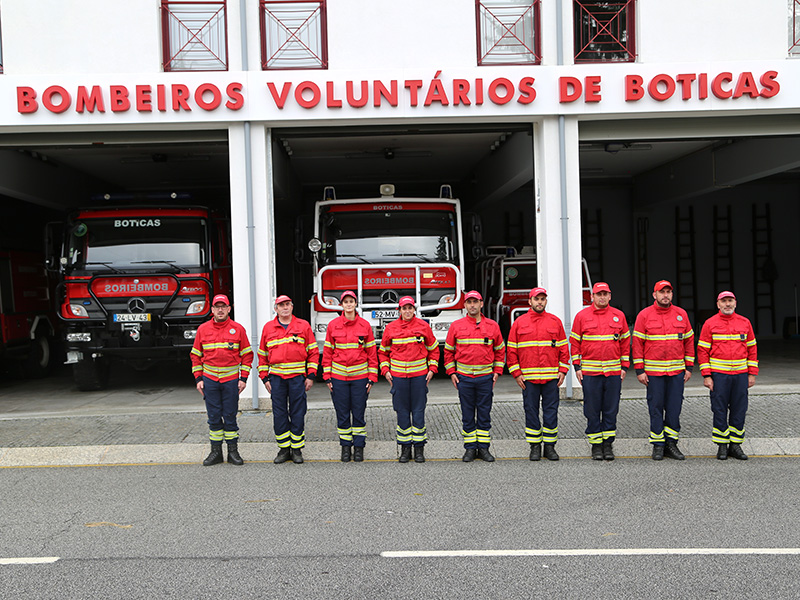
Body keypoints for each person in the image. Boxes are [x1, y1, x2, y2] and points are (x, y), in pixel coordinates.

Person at [632, 280, 694, 461]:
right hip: (654, 374)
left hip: (676, 373)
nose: (665, 295)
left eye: (668, 292)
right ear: (654, 295)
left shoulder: (681, 314)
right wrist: (639, 370)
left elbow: (689, 341)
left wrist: (689, 367)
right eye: (662, 292)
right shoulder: (644, 315)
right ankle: (658, 445)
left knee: (674, 408)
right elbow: (637, 344)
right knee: (656, 408)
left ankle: (671, 444)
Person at [506, 287, 569, 462]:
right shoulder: (520, 323)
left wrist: (563, 370)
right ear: (530, 301)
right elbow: (511, 351)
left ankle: (549, 447)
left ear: (546, 301)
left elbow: (564, 349)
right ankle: (535, 446)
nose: (539, 302)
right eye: (536, 299)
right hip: (529, 379)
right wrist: (516, 373)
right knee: (531, 412)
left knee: (551, 412)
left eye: (542, 299)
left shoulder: (555, 321)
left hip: (551, 378)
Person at [190, 294, 253, 466]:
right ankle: (215, 452)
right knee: (214, 416)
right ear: (212, 310)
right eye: (217, 307)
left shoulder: (238, 329)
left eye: (223, 306)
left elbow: (247, 355)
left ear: (228, 309)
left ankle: (233, 452)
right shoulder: (203, 329)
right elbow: (196, 356)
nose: (220, 310)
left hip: (231, 380)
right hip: (210, 380)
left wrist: (243, 378)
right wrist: (198, 379)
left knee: (230, 416)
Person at [570, 282, 630, 461]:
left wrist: (624, 367)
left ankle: (608, 444)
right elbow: (574, 343)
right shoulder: (582, 316)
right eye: (599, 294)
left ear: (610, 296)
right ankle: (596, 445)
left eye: (605, 294)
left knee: (611, 409)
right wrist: (577, 367)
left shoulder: (619, 316)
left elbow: (625, 344)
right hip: (590, 373)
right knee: (592, 409)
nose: (602, 297)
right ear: (592, 297)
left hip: (613, 373)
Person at [444, 290, 505, 462]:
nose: (472, 305)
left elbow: (500, 351)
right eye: (469, 302)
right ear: (464, 305)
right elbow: (448, 352)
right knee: (467, 414)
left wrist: (497, 372)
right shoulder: (456, 326)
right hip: (464, 378)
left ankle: (484, 449)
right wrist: (451, 373)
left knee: (484, 414)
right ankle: (470, 449)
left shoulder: (492, 326)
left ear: (481, 304)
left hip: (485, 378)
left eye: (475, 302)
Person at [697, 291, 758, 460]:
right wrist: (707, 375)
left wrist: (752, 373)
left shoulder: (745, 323)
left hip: (740, 375)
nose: (727, 304)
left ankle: (735, 445)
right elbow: (702, 351)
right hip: (719, 376)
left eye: (730, 301)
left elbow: (752, 349)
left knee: (739, 410)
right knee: (719, 409)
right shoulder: (710, 324)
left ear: (735, 303)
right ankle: (722, 445)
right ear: (718, 304)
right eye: (724, 301)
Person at [257, 295, 318, 465]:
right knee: (279, 414)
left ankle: (297, 449)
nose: (284, 308)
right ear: (275, 309)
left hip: (298, 378)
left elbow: (313, 352)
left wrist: (311, 375)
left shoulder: (303, 326)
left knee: (298, 413)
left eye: (287, 304)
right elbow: (262, 355)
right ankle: (284, 449)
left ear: (292, 307)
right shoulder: (268, 328)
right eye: (281, 305)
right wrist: (264, 377)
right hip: (276, 379)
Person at [378, 296, 439, 463]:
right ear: (399, 310)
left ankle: (419, 449)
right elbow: (383, 352)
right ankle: (405, 449)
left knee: (418, 412)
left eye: (410, 308)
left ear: (414, 309)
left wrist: (432, 369)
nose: (407, 311)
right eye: (404, 308)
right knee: (402, 413)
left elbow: (434, 350)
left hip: (419, 377)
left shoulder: (423, 327)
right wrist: (385, 370)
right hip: (398, 378)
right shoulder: (390, 328)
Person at [321, 290, 378, 462]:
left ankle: (359, 447)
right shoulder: (333, 325)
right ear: (342, 305)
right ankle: (346, 448)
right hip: (338, 379)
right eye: (345, 301)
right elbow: (328, 352)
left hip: (360, 378)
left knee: (359, 413)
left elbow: (371, 353)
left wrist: (372, 377)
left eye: (351, 301)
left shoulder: (364, 326)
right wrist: (327, 377)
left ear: (355, 304)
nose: (348, 304)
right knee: (342, 414)